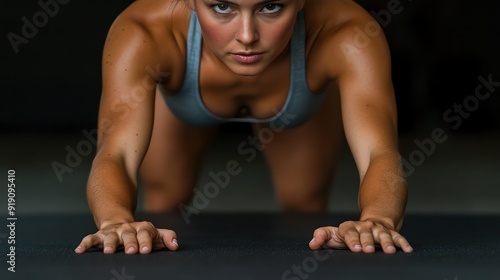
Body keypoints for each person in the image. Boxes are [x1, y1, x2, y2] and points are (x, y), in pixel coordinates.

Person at [75, 0, 414, 255]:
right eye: (222, 7)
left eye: (271, 7)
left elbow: (378, 153)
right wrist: (115, 222)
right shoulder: (143, 30)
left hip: (296, 98)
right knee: (162, 208)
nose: (247, 36)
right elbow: (115, 152)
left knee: (306, 211)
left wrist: (379, 219)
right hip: (181, 100)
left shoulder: (348, 30)